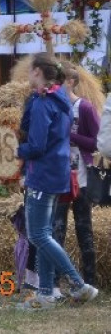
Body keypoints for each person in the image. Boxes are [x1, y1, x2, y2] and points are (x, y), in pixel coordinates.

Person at [16, 53, 98, 310]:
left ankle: (78, 284)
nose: (28, 75)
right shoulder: (59, 98)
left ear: (38, 72)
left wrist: (17, 151)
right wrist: (32, 98)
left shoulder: (44, 103)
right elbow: (31, 125)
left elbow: (37, 144)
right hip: (58, 173)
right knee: (45, 234)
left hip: (43, 173)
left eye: (30, 71)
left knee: (39, 234)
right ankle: (46, 293)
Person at [51, 64, 100, 286]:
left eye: (58, 82)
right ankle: (54, 281)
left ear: (70, 82)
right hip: (60, 177)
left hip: (82, 178)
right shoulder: (54, 107)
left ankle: (89, 280)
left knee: (84, 230)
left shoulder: (85, 107)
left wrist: (73, 137)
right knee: (57, 230)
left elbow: (96, 142)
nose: (55, 86)